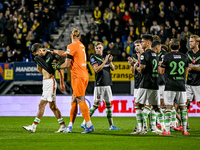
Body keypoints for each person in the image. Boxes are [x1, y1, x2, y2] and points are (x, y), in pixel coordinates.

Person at [49, 28, 94, 133]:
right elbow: (65, 54)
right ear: (80, 37)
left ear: (70, 37)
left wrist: (58, 67)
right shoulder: (81, 45)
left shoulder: (71, 46)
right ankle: (70, 126)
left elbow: (67, 64)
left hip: (77, 75)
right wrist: (53, 51)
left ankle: (89, 125)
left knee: (80, 99)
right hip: (84, 74)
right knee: (74, 99)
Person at [23, 43, 66, 133]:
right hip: (46, 83)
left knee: (41, 105)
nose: (36, 56)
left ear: (39, 50)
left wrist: (62, 83)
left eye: (36, 54)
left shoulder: (50, 56)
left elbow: (60, 69)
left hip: (50, 82)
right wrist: (38, 63)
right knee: (53, 106)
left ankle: (33, 126)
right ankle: (63, 126)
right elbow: (40, 71)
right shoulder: (40, 58)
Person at [81, 42, 119, 130]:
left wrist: (110, 62)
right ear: (95, 49)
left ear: (103, 48)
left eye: (100, 47)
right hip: (99, 85)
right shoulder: (93, 57)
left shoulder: (106, 56)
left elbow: (113, 68)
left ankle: (111, 125)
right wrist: (105, 61)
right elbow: (96, 69)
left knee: (109, 104)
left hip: (107, 84)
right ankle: (84, 122)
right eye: (97, 48)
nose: (98, 49)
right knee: (96, 104)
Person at [132, 34, 163, 134]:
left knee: (137, 104)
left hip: (146, 83)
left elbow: (141, 70)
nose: (141, 43)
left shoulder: (144, 54)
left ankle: (140, 129)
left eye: (143, 42)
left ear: (148, 43)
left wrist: (135, 65)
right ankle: (165, 125)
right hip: (155, 83)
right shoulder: (155, 54)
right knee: (156, 107)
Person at [159, 38, 190, 135]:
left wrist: (160, 67)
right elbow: (186, 71)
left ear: (169, 46)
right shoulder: (184, 56)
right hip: (181, 85)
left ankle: (167, 130)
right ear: (179, 47)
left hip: (170, 85)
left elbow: (162, 71)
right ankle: (185, 130)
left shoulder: (167, 56)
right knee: (183, 107)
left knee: (168, 107)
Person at [185, 35, 200, 130]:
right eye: (190, 41)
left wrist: (192, 67)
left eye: (192, 41)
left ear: (197, 43)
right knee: (185, 103)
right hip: (189, 82)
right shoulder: (188, 53)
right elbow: (186, 67)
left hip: (198, 82)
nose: (190, 43)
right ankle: (185, 124)